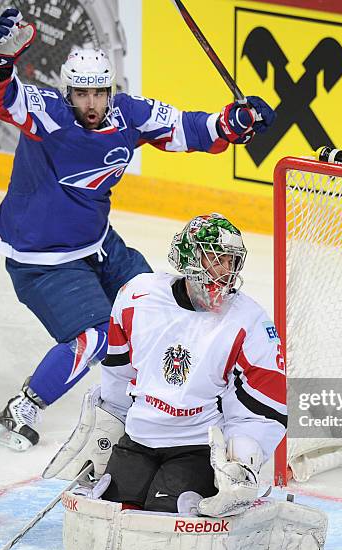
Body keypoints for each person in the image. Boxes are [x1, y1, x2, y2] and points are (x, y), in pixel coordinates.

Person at [0, 9, 275, 452]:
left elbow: (189, 129)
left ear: (110, 91)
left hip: (98, 244)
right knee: (95, 336)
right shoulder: (49, 116)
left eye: (99, 93)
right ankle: (22, 408)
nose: (90, 104)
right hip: (44, 261)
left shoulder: (127, 116)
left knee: (159, 305)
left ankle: (156, 398)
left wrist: (234, 122)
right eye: (81, 94)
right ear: (67, 91)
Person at [45, 213, 287, 517]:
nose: (225, 272)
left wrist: (242, 461)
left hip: (198, 446)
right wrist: (106, 425)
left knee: (164, 518)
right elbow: (119, 372)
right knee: (111, 511)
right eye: (216, 260)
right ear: (188, 259)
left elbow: (268, 404)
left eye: (231, 262)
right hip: (139, 437)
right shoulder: (138, 297)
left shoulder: (249, 321)